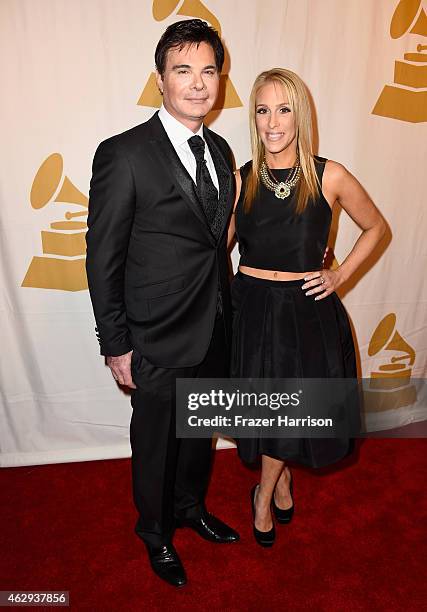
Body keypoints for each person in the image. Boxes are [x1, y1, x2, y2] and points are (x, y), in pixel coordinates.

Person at [86, 19, 239, 587]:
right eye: (183, 71)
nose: (198, 84)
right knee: (155, 442)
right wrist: (116, 343)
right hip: (153, 333)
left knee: (199, 436)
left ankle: (189, 508)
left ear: (219, 79)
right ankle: (154, 533)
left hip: (214, 325)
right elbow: (102, 258)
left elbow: (214, 239)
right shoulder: (123, 154)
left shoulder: (221, 149)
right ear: (160, 79)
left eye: (208, 71)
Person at [227, 68, 386, 547]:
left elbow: (376, 226)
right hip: (252, 311)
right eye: (262, 110)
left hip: (305, 311)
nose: (273, 122)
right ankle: (279, 481)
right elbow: (217, 248)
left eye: (283, 109)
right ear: (253, 118)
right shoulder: (242, 180)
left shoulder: (329, 175)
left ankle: (262, 496)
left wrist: (339, 275)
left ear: (300, 115)